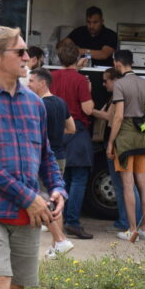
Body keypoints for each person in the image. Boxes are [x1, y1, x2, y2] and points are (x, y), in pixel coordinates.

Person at [0, 26, 66, 289]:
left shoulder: (35, 104)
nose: (27, 58)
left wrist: (57, 188)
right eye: (20, 51)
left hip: (28, 213)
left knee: (17, 288)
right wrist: (29, 198)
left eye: (27, 52)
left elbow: (45, 155)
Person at [27, 67, 76, 259]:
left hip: (42, 157)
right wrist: (56, 136)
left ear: (42, 83)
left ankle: (60, 240)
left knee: (43, 199)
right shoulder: (61, 103)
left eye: (31, 81)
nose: (28, 85)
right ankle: (57, 245)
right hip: (60, 155)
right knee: (57, 199)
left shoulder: (37, 104)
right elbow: (71, 128)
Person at [50, 39, 95, 240]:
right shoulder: (80, 81)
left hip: (57, 132)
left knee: (63, 178)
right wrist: (90, 91)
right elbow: (87, 109)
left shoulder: (52, 77)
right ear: (76, 58)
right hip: (77, 130)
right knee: (79, 177)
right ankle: (73, 222)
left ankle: (60, 218)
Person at [109, 49, 145, 243]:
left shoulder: (120, 84)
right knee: (143, 183)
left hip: (125, 137)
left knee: (128, 184)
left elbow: (118, 116)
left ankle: (132, 230)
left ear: (118, 63)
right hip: (141, 136)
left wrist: (111, 141)